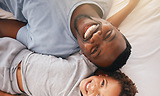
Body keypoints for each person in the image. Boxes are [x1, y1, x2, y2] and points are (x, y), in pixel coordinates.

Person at [0, 37, 137, 96]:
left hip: (8, 82)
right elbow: (103, 38)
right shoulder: (86, 63)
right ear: (103, 75)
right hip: (14, 51)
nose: (94, 88)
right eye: (102, 84)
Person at [0, 0, 140, 70]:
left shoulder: (50, 44)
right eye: (108, 34)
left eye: (95, 49)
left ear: (85, 55)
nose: (96, 37)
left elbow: (3, 27)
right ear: (113, 26)